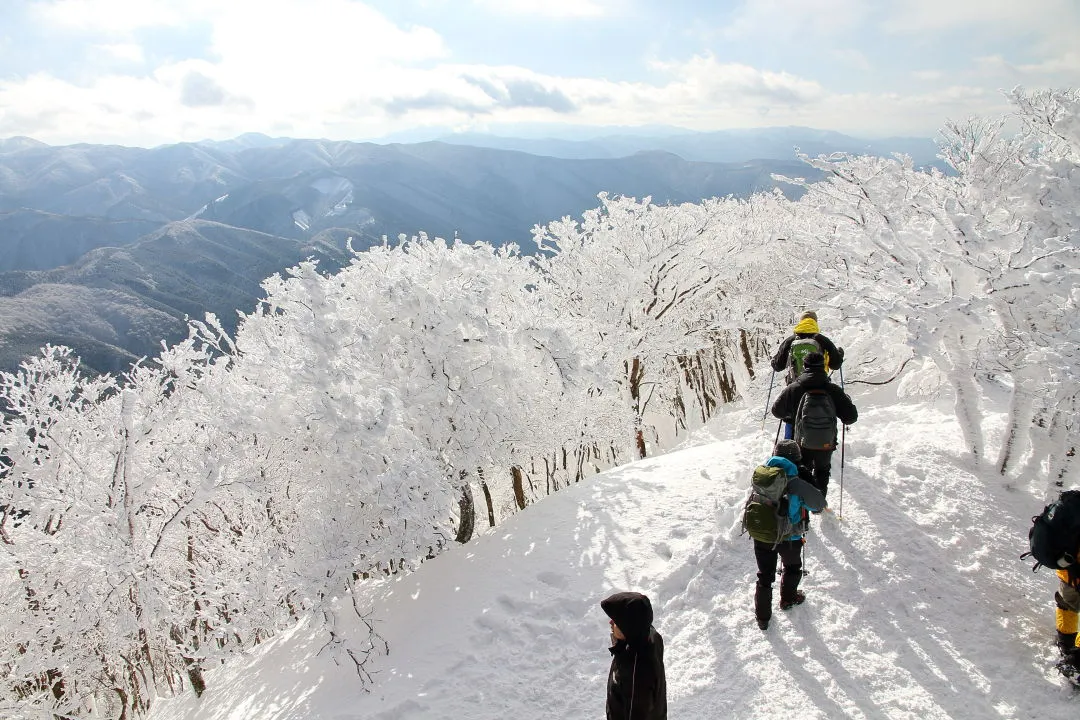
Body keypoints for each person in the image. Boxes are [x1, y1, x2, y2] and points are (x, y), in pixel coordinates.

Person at [751, 440, 827, 631]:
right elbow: (818, 505)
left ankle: (763, 618)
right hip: (789, 537)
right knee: (793, 566)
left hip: (763, 534)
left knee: (764, 575)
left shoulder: (762, 475)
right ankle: (788, 598)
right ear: (797, 457)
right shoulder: (797, 480)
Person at [770, 352, 857, 497]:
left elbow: (776, 412)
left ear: (804, 367)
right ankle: (819, 503)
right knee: (822, 470)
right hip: (826, 441)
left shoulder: (793, 388)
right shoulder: (833, 389)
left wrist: (791, 416)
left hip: (801, 441)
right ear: (823, 366)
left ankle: (804, 504)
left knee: (802, 469)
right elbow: (851, 418)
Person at [601, 591, 667, 720]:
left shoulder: (636, 673)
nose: (610, 622)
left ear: (628, 627)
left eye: (616, 620)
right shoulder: (648, 635)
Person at [770, 310, 844, 382]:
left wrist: (774, 361)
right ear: (815, 322)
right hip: (821, 383)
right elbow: (835, 365)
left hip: (796, 384)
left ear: (801, 322)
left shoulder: (790, 341)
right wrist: (840, 355)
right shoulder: (823, 340)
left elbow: (778, 366)